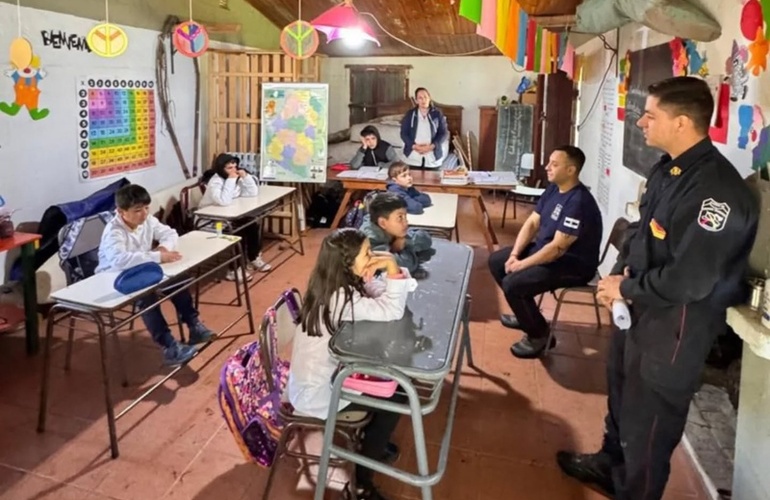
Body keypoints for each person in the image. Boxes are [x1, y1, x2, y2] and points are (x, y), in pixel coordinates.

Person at [557, 76, 759, 500]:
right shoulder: (669, 169)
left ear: (681, 122)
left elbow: (690, 280)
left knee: (648, 427)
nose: (640, 122)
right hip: (639, 313)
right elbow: (641, 234)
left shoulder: (716, 192)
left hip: (673, 330)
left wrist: (626, 290)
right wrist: (616, 280)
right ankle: (609, 465)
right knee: (621, 400)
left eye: (650, 115)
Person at [288, 228, 417, 500]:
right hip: (319, 393)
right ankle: (361, 483)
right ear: (347, 263)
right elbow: (392, 310)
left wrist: (383, 270)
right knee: (397, 398)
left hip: (327, 376)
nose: (373, 257)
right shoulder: (339, 298)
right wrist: (392, 267)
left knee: (394, 388)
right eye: (367, 253)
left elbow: (379, 294)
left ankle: (373, 443)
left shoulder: (334, 283)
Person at [487, 145, 602, 359]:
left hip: (572, 264)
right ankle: (526, 315)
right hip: (548, 251)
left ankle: (539, 335)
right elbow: (532, 223)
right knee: (497, 261)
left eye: (554, 164)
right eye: (549, 162)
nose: (547, 167)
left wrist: (521, 265)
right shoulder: (554, 189)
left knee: (513, 284)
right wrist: (514, 255)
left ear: (571, 170)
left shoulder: (578, 202)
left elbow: (558, 248)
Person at [96, 184, 214, 366]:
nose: (144, 214)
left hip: (143, 269)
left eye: (146, 208)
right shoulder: (114, 231)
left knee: (178, 280)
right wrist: (157, 256)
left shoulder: (147, 220)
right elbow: (119, 260)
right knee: (147, 298)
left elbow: (170, 233)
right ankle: (169, 347)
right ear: (121, 211)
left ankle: (194, 325)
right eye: (137, 210)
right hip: (114, 278)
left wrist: (163, 248)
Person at [199, 153, 272, 281]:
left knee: (252, 224)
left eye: (235, 166)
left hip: (230, 216)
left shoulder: (235, 179)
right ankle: (234, 269)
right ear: (221, 169)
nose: (234, 170)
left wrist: (246, 177)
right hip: (211, 220)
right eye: (229, 168)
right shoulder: (216, 182)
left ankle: (253, 258)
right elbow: (223, 201)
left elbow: (252, 193)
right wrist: (231, 180)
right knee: (239, 232)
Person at [359, 192, 434, 275]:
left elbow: (426, 239)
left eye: (405, 216)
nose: (406, 222)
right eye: (400, 217)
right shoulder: (370, 241)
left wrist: (404, 241)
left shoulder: (391, 228)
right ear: (382, 223)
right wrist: (403, 248)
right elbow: (407, 265)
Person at [400, 87, 449, 169]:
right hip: (413, 156)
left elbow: (444, 133)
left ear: (429, 98)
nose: (423, 100)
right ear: (416, 101)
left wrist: (432, 146)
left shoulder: (437, 114)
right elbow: (403, 133)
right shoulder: (410, 114)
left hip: (432, 157)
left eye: (425, 97)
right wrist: (414, 146)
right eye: (420, 98)